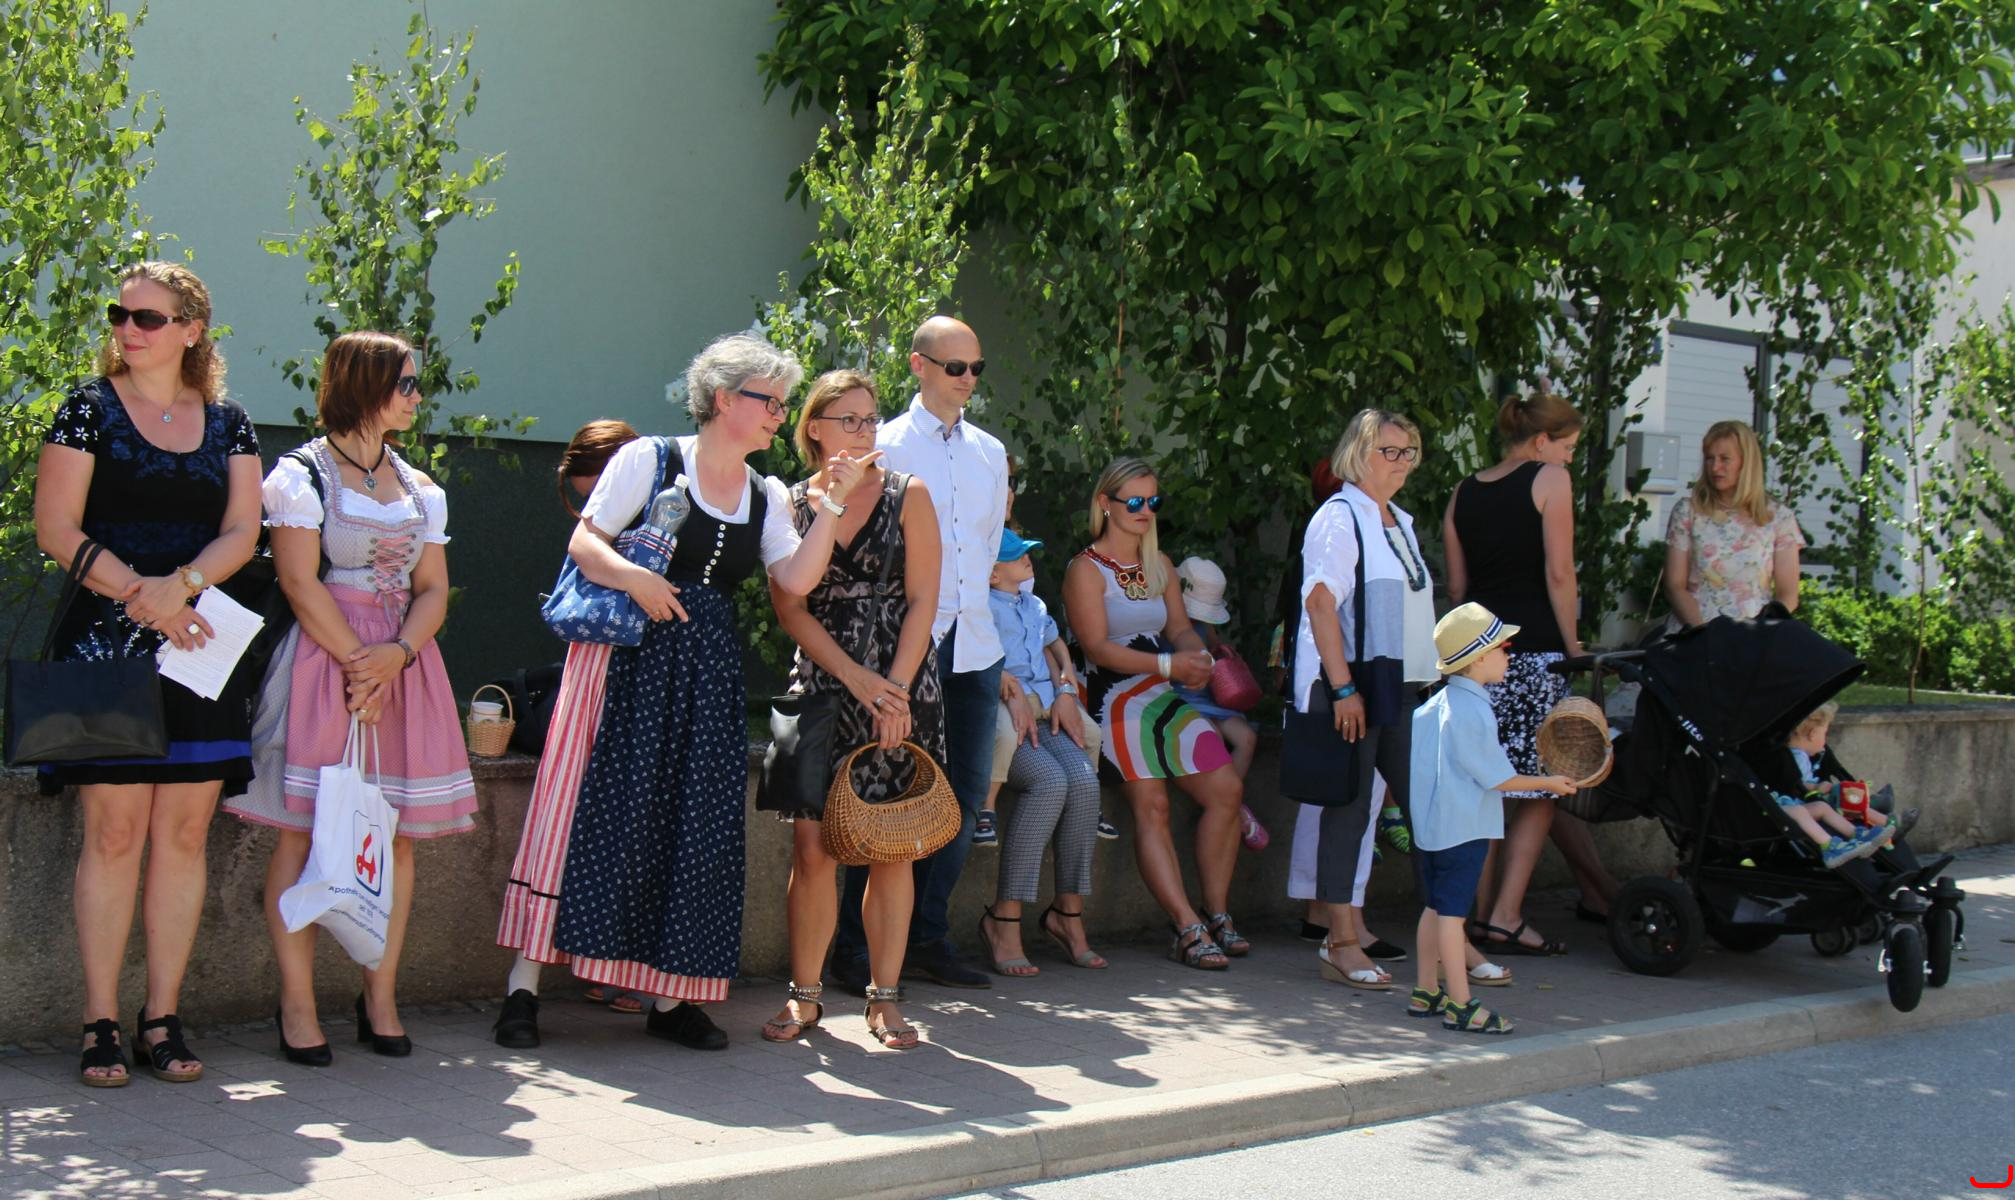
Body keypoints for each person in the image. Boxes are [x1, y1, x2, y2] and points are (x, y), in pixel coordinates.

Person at [548, 334, 867, 1052]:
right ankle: (549, 981)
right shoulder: (649, 458)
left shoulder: (765, 493)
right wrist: (635, 578)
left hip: (708, 670)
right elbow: (585, 543)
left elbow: (796, 580)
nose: (780, 416)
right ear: (724, 399)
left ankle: (673, 999)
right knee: (617, 811)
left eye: (783, 404)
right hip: (633, 661)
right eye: (770, 402)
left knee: (700, 824)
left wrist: (834, 506)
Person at [33, 262, 262, 1086]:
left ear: (192, 330)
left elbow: (243, 532)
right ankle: (99, 1022)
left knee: (185, 835)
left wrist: (182, 587)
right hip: (104, 644)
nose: (128, 329)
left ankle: (161, 1018)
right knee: (114, 834)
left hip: (200, 647)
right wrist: (146, 596)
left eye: (148, 318)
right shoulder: (86, 409)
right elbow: (56, 528)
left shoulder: (230, 424)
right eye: (120, 314)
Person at [226, 331, 475, 1065]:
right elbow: (299, 582)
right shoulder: (301, 475)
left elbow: (433, 589)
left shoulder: (420, 487)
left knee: (395, 835)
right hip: (323, 659)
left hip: (402, 666)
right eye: (406, 383)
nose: (417, 397)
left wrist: (397, 656)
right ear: (364, 385)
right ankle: (297, 1004)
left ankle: (380, 996)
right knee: (301, 831)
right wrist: (359, 665)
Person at [762, 369, 941, 1050]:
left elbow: (924, 599)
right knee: (812, 849)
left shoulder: (908, 493)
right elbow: (789, 608)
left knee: (891, 848)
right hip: (820, 685)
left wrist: (892, 690)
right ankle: (804, 997)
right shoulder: (788, 502)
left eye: (871, 419)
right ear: (813, 427)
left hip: (900, 683)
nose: (865, 432)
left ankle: (885, 1001)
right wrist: (853, 679)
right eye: (849, 419)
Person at [831, 316, 1009, 995]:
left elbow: (986, 548)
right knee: (880, 796)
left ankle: (927, 938)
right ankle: (854, 949)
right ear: (919, 365)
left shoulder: (990, 452)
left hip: (976, 644)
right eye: (954, 366)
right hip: (903, 644)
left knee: (960, 800)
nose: (967, 379)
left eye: (976, 368)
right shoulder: (885, 444)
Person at [1444, 390, 1618, 956]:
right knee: (1543, 784)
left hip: (1477, 659)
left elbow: (1458, 588)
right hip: (1535, 653)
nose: (1569, 458)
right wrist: (1572, 645)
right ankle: (1507, 916)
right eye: (1567, 447)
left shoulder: (1463, 492)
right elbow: (1560, 573)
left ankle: (1472, 917)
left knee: (1485, 786)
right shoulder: (1550, 480)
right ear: (1541, 441)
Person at [491, 419, 641, 1048]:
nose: (591, 507)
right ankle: (523, 983)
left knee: (635, 824)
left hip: (648, 680)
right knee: (559, 822)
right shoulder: (599, 533)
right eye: (584, 497)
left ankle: (622, 971)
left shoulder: (672, 498)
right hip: (592, 677)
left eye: (598, 489)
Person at [1064, 457, 1246, 970]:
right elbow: (1096, 648)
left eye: (1154, 501)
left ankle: (1217, 913)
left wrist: (1198, 656)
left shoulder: (1158, 561)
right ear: (1106, 503)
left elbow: (1181, 628)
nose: (1146, 510)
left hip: (1160, 692)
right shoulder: (1085, 569)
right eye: (1135, 501)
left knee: (1227, 790)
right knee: (1154, 804)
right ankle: (1186, 926)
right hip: (1110, 697)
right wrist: (1170, 663)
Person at [1287, 411, 1431, 990]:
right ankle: (1340, 941)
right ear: (1357, 454)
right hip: (1357, 682)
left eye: (1408, 451)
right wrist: (1344, 688)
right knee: (1348, 810)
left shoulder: (1398, 520)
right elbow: (1320, 603)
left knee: (1426, 807)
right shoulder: (1340, 516)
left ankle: (1450, 934)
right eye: (1388, 451)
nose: (1401, 462)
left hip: (1401, 682)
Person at [1408, 604, 1579, 1035]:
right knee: (1452, 917)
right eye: (1505, 648)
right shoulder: (1473, 711)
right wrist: (1549, 782)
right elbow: (1496, 776)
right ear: (1480, 657)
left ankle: (1426, 989)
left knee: (1434, 907)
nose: (1509, 655)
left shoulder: (1431, 707)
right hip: (1463, 829)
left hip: (1431, 829)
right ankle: (1461, 1003)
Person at [976, 528, 1106, 977]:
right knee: (1050, 783)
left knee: (1084, 782)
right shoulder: (977, 592)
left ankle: (1067, 915)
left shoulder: (1031, 601)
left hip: (1046, 702)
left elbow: (1051, 651)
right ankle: (1003, 919)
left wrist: (1066, 688)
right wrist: (1007, 688)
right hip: (1002, 711)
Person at [1664, 419, 1806, 625]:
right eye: (1710, 458)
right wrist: (1703, 634)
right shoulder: (1688, 512)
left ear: (1746, 463)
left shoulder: (1779, 518)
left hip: (1755, 634)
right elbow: (1674, 586)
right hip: (1695, 630)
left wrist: (1760, 632)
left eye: (1725, 459)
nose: (1715, 467)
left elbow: (1788, 595)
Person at [1172, 556, 1268, 851]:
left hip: (1210, 696)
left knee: (1246, 738)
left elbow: (1212, 645)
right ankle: (1233, 809)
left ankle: (1229, 804)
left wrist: (1220, 653)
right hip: (1179, 699)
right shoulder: (1165, 622)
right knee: (1210, 736)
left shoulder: (1202, 625)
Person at [1773, 702, 1897, 866]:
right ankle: (1830, 847)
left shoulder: (1794, 756)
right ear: (1812, 734)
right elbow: (1794, 783)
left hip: (1791, 807)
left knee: (1822, 807)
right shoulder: (1796, 758)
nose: (1825, 741)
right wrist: (1816, 787)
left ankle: (1857, 834)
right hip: (1782, 808)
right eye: (1825, 734)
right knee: (1810, 808)